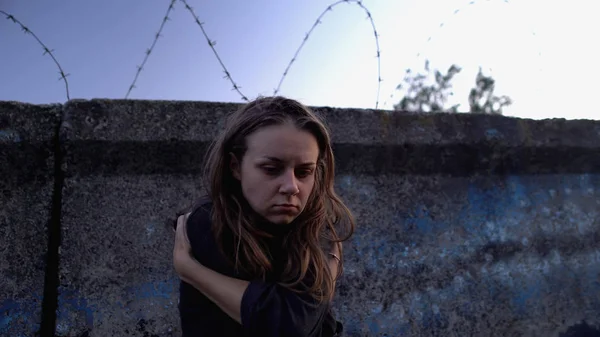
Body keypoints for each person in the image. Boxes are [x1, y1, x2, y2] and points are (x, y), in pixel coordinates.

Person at [172, 96, 355, 336]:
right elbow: (288, 326)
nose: (291, 187)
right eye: (271, 169)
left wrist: (190, 270)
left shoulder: (315, 227)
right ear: (235, 167)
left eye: (304, 172)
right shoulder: (209, 222)